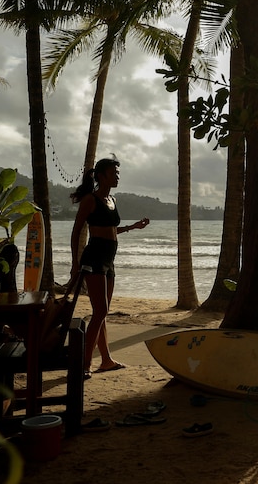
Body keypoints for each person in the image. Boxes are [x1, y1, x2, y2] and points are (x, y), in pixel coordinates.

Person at [70, 156, 149, 377]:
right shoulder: (90, 200)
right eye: (114, 173)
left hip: (108, 259)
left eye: (118, 173)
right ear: (101, 175)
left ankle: (105, 360)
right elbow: (77, 231)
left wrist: (133, 227)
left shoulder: (112, 200)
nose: (117, 177)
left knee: (101, 313)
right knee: (100, 311)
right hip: (93, 257)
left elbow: (111, 230)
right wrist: (75, 264)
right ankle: (84, 364)